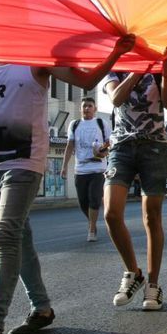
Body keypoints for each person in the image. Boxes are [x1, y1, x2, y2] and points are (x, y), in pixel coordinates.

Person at [0, 34, 133, 334]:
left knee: (5, 237)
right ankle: (42, 309)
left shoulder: (35, 58)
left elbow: (86, 78)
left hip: (24, 164)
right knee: (20, 239)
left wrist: (116, 52)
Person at [103, 46, 167, 311]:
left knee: (151, 215)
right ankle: (133, 272)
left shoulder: (158, 72)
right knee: (111, 213)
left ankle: (153, 285)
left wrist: (166, 72)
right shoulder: (114, 71)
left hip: (154, 146)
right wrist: (136, 71)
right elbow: (115, 99)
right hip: (121, 147)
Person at [61, 96, 110, 242]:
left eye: (89, 106)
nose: (86, 108)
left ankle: (92, 229)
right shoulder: (74, 124)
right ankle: (92, 221)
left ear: (95, 109)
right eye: (84, 106)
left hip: (98, 168)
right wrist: (64, 166)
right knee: (83, 202)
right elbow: (70, 146)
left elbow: (110, 142)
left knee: (94, 199)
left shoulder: (102, 123)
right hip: (80, 169)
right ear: (80, 108)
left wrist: (102, 150)